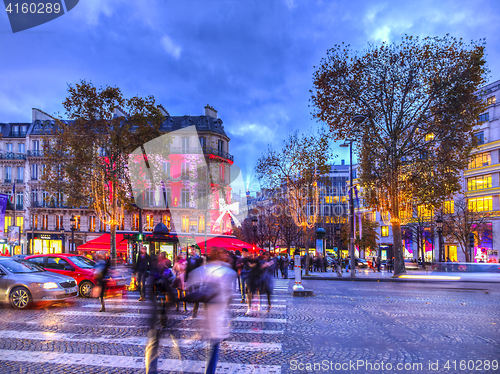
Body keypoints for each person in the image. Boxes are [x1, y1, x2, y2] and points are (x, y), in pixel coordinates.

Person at [185, 246, 203, 318]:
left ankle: (194, 312)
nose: (191, 251)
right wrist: (185, 280)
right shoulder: (188, 259)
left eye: (192, 250)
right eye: (190, 250)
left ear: (195, 250)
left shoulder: (199, 259)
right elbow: (186, 270)